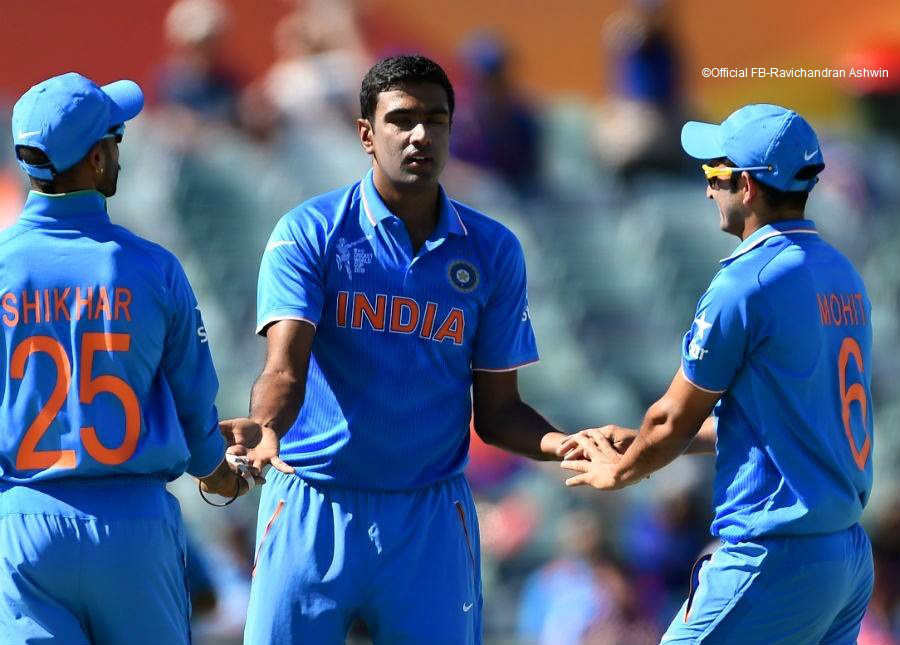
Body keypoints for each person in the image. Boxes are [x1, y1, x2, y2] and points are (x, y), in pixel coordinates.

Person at [222, 55, 568, 645]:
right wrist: (265, 426)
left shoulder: (493, 249)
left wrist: (563, 444)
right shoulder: (310, 231)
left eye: (436, 120)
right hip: (313, 502)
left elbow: (499, 411)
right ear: (366, 133)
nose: (420, 135)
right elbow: (284, 368)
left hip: (430, 517)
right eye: (402, 120)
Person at [560, 104, 874, 643]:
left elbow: (671, 417)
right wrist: (644, 442)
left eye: (714, 173)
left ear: (746, 186)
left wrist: (623, 469)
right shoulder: (840, 271)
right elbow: (786, 422)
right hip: (845, 556)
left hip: (775, 555)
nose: (707, 190)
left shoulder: (749, 281)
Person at [0, 72, 255, 644]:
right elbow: (193, 406)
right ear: (95, 159)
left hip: (23, 524)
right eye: (114, 139)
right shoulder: (152, 267)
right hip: (133, 529)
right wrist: (220, 473)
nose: (120, 152)